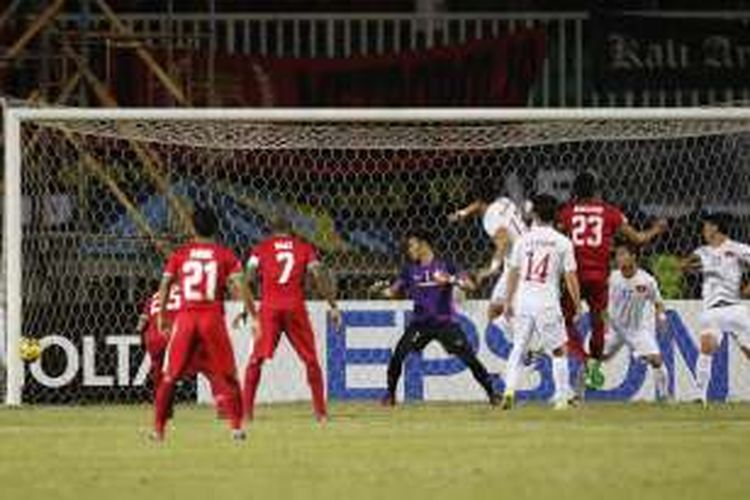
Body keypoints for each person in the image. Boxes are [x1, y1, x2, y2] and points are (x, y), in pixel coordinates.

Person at [153, 206, 257, 441]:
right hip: (211, 317)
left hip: (186, 316)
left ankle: (158, 430)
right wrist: (253, 315)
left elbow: (166, 284)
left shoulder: (180, 254)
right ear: (216, 227)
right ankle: (236, 428)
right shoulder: (225, 255)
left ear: (193, 228)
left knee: (170, 375)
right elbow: (241, 287)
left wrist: (162, 316)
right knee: (228, 374)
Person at [557, 171, 667, 390]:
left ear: (575, 192)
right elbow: (637, 238)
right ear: (597, 190)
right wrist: (657, 229)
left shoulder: (566, 213)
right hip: (600, 277)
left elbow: (558, 239)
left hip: (576, 277)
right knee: (598, 324)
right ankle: (594, 362)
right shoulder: (610, 213)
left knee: (565, 322)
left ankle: (585, 359)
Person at [371, 229, 499, 406]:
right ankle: (390, 394)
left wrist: (450, 279)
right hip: (420, 324)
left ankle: (492, 394)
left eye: (412, 244)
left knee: (469, 358)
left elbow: (470, 285)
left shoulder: (446, 265)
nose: (409, 249)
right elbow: (393, 291)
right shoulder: (409, 270)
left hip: (445, 323)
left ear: (423, 244)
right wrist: (380, 291)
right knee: (398, 355)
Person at [241, 215, 341, 423]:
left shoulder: (261, 248)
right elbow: (318, 275)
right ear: (291, 229)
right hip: (295, 307)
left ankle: (247, 411)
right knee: (311, 360)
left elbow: (248, 278)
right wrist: (332, 305)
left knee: (256, 358)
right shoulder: (304, 248)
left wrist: (246, 307)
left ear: (271, 230)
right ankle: (320, 413)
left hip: (269, 308)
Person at [503, 193, 581, 410]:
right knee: (558, 350)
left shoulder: (522, 240)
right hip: (547, 302)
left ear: (534, 213)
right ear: (555, 215)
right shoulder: (563, 242)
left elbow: (513, 273)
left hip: (524, 301)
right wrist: (577, 304)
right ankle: (562, 399)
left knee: (518, 347)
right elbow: (570, 276)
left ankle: (509, 390)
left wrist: (508, 302)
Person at [682, 213, 750, 406]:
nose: (703, 231)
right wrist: (689, 266)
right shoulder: (702, 252)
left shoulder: (738, 249)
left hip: (735, 308)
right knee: (706, 348)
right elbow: (685, 266)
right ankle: (699, 396)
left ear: (715, 228)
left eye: (705, 227)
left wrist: (748, 288)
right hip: (711, 310)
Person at [136, 283, 231, 418]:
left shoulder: (155, 295)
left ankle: (163, 410)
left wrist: (143, 336)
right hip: (177, 335)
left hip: (154, 339)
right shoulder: (190, 294)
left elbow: (140, 325)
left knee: (159, 374)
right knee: (212, 368)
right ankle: (224, 408)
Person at [448, 191, 528, 328]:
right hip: (528, 254)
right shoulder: (504, 201)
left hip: (519, 265)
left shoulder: (489, 218)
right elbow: (479, 203)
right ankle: (521, 343)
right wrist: (462, 213)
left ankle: (521, 344)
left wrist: (490, 270)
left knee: (497, 311)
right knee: (499, 310)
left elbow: (504, 241)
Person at [603, 243, 670, 401]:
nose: (619, 258)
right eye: (617, 255)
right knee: (595, 357)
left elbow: (658, 303)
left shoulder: (646, 281)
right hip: (614, 328)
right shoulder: (612, 278)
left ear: (634, 257)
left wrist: (661, 318)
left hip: (636, 329)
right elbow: (599, 302)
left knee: (657, 360)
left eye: (623, 254)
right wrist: (604, 322)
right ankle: (577, 394)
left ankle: (665, 397)